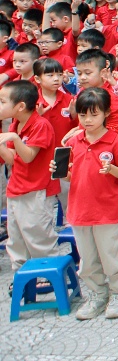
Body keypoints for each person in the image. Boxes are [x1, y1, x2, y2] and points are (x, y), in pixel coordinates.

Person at [52, 88, 118, 320]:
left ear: (106, 113)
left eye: (93, 115)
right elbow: (71, 176)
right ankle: (97, 294)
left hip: (109, 210)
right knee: (88, 260)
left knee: (113, 257)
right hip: (80, 210)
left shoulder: (114, 141)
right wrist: (59, 172)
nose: (87, 120)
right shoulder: (74, 141)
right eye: (82, 115)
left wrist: (111, 169)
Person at [0, 80, 59, 270]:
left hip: (37, 189)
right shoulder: (15, 124)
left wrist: (14, 138)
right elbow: (12, 159)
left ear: (20, 106)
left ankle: (47, 274)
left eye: (2, 101)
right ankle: (21, 275)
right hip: (16, 188)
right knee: (16, 239)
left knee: (39, 237)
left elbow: (28, 157)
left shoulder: (40, 125)